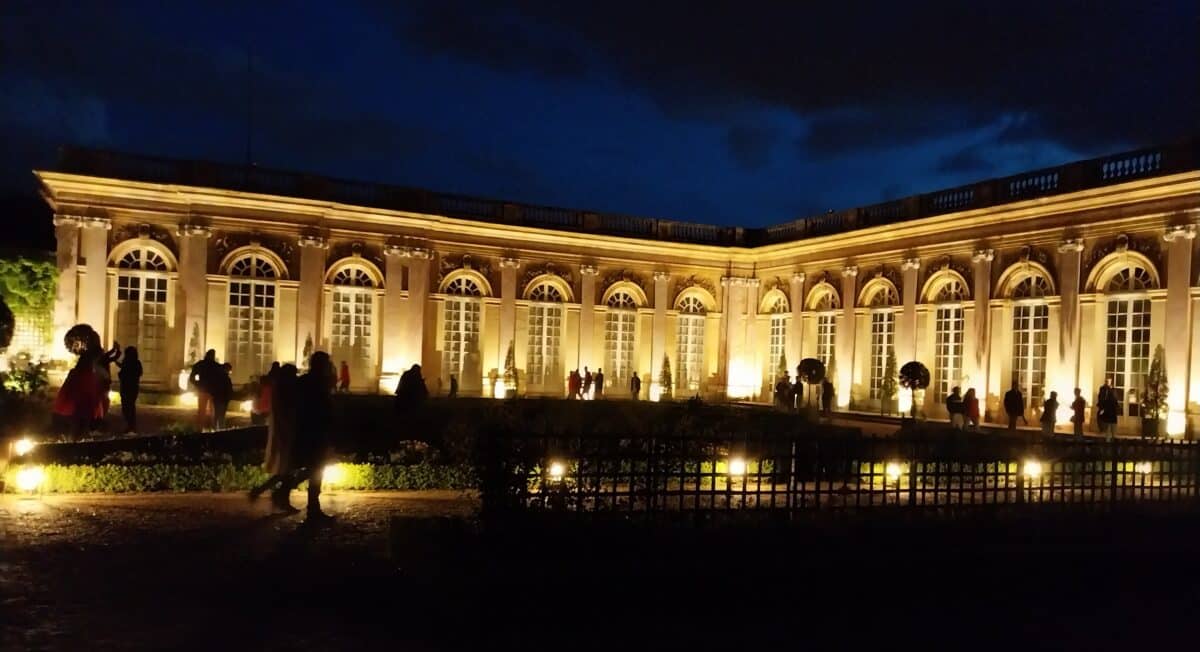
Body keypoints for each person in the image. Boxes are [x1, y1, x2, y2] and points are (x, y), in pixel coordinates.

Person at [286, 352, 337, 522]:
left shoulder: (304, 382)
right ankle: (313, 509)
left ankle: (288, 492)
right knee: (315, 471)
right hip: (315, 432)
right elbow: (325, 409)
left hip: (305, 431)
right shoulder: (320, 383)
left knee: (310, 469)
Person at [249, 364, 299, 512]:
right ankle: (273, 496)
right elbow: (286, 413)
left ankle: (269, 494)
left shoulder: (280, 389)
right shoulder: (285, 391)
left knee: (286, 471)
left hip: (283, 432)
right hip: (285, 433)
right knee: (286, 471)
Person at [189, 350, 222, 429]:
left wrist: (197, 384)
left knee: (202, 411)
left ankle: (200, 428)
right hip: (212, 391)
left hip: (204, 390)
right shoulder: (216, 366)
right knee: (212, 411)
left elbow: (191, 377)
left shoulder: (200, 364)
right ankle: (212, 428)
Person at [115, 346, 142, 433]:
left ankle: (130, 426)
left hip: (126, 387)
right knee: (131, 406)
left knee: (126, 407)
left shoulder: (128, 362)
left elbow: (123, 372)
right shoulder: (136, 363)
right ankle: (131, 426)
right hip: (133, 388)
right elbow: (139, 373)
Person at [211, 362, 234, 430]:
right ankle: (221, 430)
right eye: (229, 370)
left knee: (217, 415)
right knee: (221, 416)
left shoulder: (217, 377)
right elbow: (228, 390)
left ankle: (215, 429)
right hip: (222, 399)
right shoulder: (226, 378)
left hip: (217, 398)